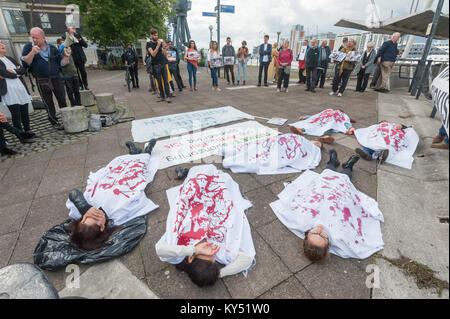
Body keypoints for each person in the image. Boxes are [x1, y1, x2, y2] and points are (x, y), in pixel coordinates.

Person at [270, 149, 385, 261]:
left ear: (307, 234)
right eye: (323, 236)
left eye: (315, 232)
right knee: (343, 181)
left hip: (322, 191)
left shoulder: (301, 221)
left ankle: (332, 162)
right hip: (340, 196)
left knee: (324, 178)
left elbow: (288, 207)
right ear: (328, 243)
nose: (320, 229)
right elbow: (359, 241)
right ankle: (348, 166)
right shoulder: (339, 236)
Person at [155, 164, 256, 288]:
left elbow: (159, 249)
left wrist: (194, 249)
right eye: (214, 258)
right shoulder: (215, 250)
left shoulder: (177, 252)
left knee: (201, 177)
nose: (212, 253)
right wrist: (220, 273)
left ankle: (191, 174)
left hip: (195, 201)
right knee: (221, 183)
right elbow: (247, 259)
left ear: (191, 258)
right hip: (212, 202)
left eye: (208, 255)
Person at [66, 140, 158, 251]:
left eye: (87, 217)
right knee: (136, 169)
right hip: (125, 183)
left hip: (110, 179)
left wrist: (85, 208)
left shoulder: (80, 212)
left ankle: (133, 153)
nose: (94, 213)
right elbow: (137, 198)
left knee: (119, 167)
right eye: (96, 217)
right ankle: (148, 151)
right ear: (102, 227)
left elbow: (74, 193)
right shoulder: (118, 216)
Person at [22, 27, 71, 130]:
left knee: (62, 99)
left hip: (56, 78)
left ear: (43, 38)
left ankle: (67, 118)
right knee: (48, 102)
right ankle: (54, 121)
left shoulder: (52, 48)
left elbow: (61, 63)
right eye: (32, 37)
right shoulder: (28, 47)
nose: (34, 40)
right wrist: (32, 53)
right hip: (42, 80)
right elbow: (25, 63)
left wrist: (66, 57)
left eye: (36, 38)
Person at [222, 133, 322, 175]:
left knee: (261, 153)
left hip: (280, 148)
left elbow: (301, 157)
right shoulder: (301, 139)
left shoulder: (312, 149)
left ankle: (233, 153)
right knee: (258, 146)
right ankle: (232, 151)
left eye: (318, 144)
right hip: (275, 143)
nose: (316, 143)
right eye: (316, 142)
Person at [0, 40, 35, 137]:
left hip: (20, 89)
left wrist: (13, 71)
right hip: (10, 92)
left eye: (2, 43)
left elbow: (23, 69)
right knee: (16, 115)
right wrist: (16, 73)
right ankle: (21, 135)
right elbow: (4, 73)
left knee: (25, 112)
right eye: (0, 43)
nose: (3, 45)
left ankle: (28, 131)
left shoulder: (10, 58)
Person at [354, 121, 419, 169]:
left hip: (393, 137)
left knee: (390, 143)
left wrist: (401, 126)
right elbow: (376, 128)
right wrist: (382, 124)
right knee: (374, 142)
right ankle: (368, 154)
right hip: (381, 135)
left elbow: (406, 132)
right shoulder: (385, 125)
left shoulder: (403, 129)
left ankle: (381, 155)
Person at [289, 109, 356, 144]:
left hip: (331, 123)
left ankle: (325, 137)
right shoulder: (329, 111)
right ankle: (301, 130)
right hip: (321, 120)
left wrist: (349, 128)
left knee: (328, 127)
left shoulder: (342, 115)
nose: (337, 111)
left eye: (339, 111)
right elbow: (318, 115)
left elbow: (345, 121)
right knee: (312, 124)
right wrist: (306, 117)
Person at [147, 29, 171, 103]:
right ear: (151, 35)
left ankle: (168, 96)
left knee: (166, 81)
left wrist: (164, 47)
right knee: (159, 82)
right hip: (155, 65)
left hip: (163, 64)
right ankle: (162, 96)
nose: (156, 36)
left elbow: (166, 51)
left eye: (157, 35)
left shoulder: (160, 42)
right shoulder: (149, 44)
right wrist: (158, 46)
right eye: (154, 35)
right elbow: (153, 54)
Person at [57, 39, 81, 106]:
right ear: (58, 45)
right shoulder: (59, 52)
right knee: (70, 92)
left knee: (77, 91)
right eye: (62, 43)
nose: (64, 45)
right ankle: (73, 104)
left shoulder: (68, 50)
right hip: (66, 75)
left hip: (74, 73)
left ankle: (79, 104)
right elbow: (61, 64)